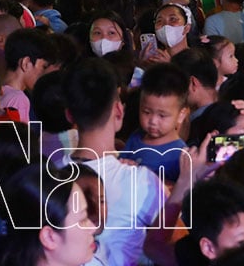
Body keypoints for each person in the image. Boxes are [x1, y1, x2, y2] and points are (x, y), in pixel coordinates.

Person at [64, 59, 167, 266]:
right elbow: (175, 243)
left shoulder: (47, 177)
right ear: (119, 111)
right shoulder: (141, 182)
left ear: (69, 115)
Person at [125, 63, 190, 183]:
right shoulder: (135, 137)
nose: (153, 121)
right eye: (146, 112)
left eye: (162, 115)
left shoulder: (181, 155)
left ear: (181, 115)